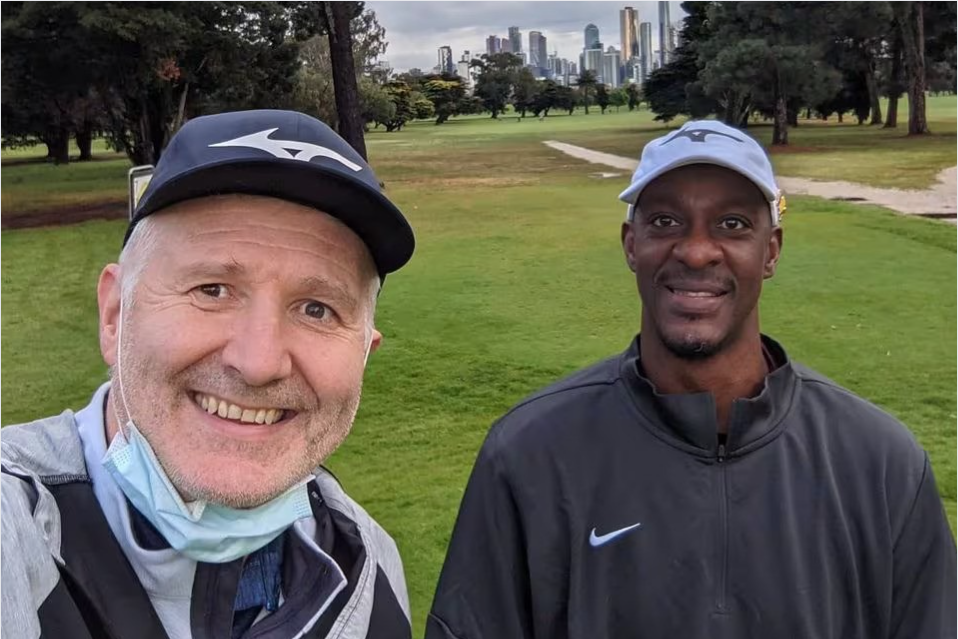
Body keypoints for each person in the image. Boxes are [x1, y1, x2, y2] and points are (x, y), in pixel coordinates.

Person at [426, 120, 956, 639]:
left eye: (732, 224)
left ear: (770, 251)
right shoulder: (528, 455)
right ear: (631, 245)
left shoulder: (880, 462)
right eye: (665, 222)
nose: (696, 251)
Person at [1, 110, 416, 638]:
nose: (259, 362)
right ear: (115, 314)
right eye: (212, 290)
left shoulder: (371, 566)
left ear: (364, 353)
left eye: (317, 309)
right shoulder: (14, 529)